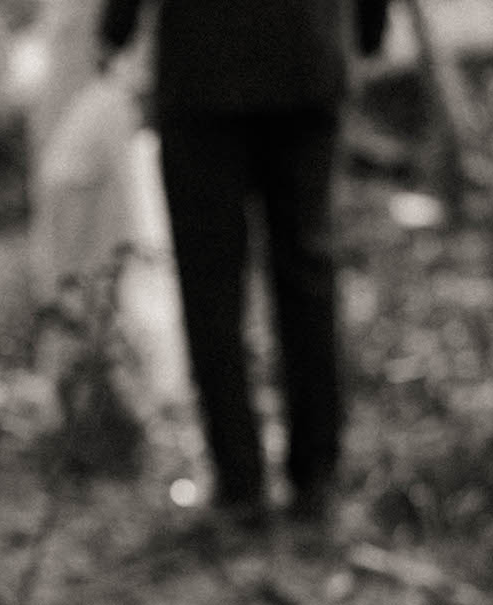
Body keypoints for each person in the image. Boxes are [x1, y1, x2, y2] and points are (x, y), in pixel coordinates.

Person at [99, 0, 390, 526]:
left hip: (204, 66)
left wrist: (114, 32)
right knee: (306, 272)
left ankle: (239, 484)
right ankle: (316, 479)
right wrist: (370, 32)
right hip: (305, 55)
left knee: (211, 280)